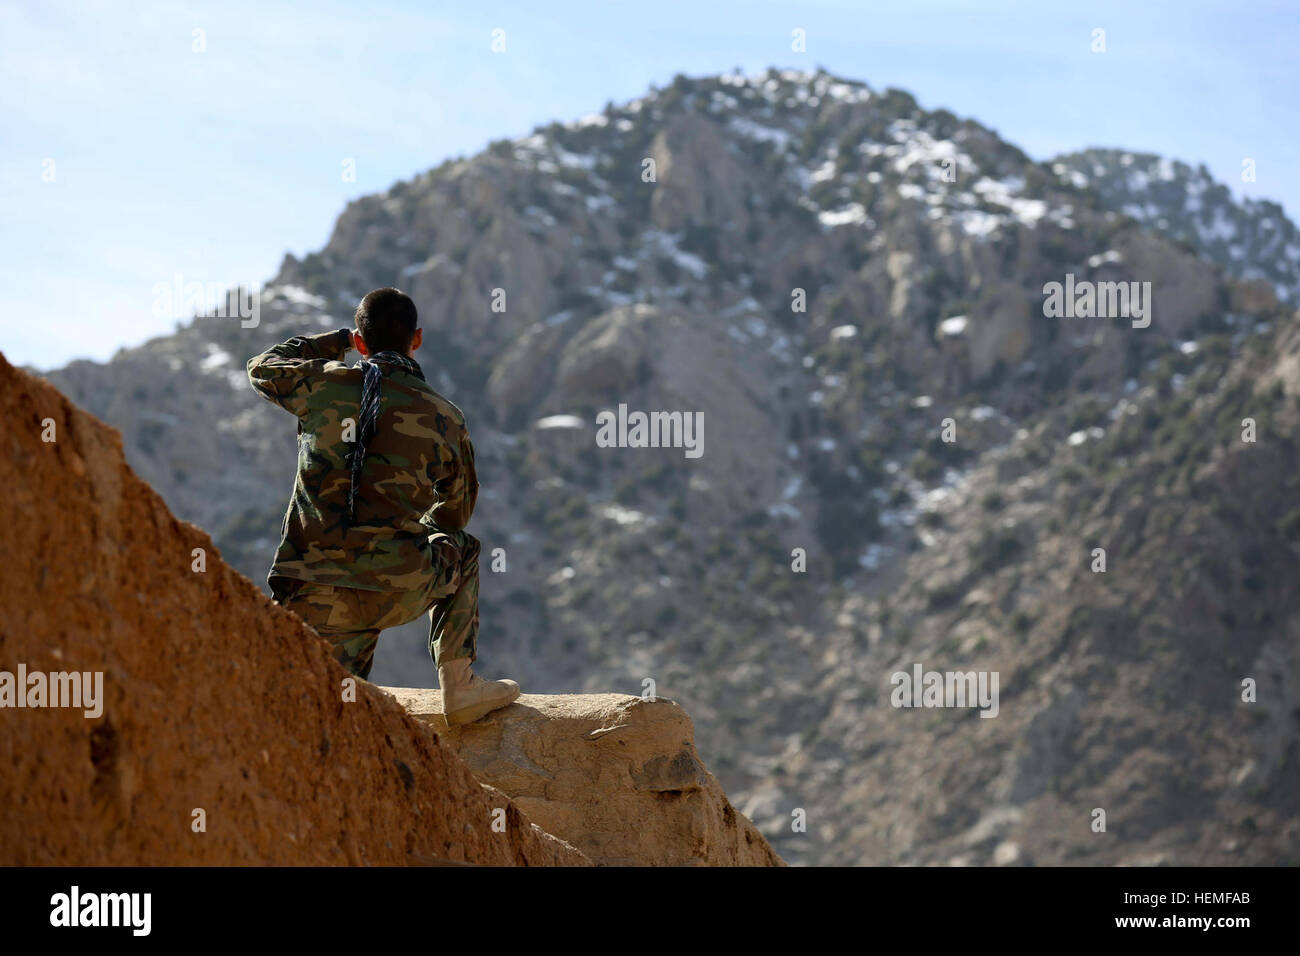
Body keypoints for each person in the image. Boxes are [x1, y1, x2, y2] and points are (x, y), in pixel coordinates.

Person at [246, 287, 519, 725]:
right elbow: (457, 513)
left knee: (325, 712)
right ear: (418, 339)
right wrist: (414, 528)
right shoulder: (443, 416)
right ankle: (459, 684)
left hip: (312, 588)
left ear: (360, 341)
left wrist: (335, 341)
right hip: (395, 584)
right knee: (462, 549)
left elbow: (262, 366)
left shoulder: (323, 384)